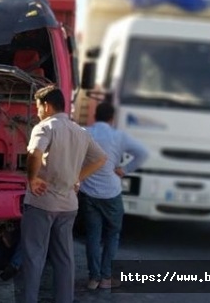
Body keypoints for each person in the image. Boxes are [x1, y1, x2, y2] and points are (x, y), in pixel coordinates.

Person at [20, 85, 107, 303]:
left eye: (38, 107)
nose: (37, 112)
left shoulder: (45, 127)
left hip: (42, 202)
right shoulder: (80, 131)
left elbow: (34, 153)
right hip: (68, 205)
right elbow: (101, 159)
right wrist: (78, 178)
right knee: (64, 259)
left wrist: (32, 179)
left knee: (34, 257)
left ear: (46, 106)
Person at [79, 102, 148, 290]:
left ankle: (93, 279)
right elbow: (143, 153)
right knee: (112, 234)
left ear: (96, 116)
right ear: (112, 118)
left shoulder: (85, 132)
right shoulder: (119, 136)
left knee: (93, 235)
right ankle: (106, 278)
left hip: (88, 191)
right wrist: (124, 169)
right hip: (111, 192)